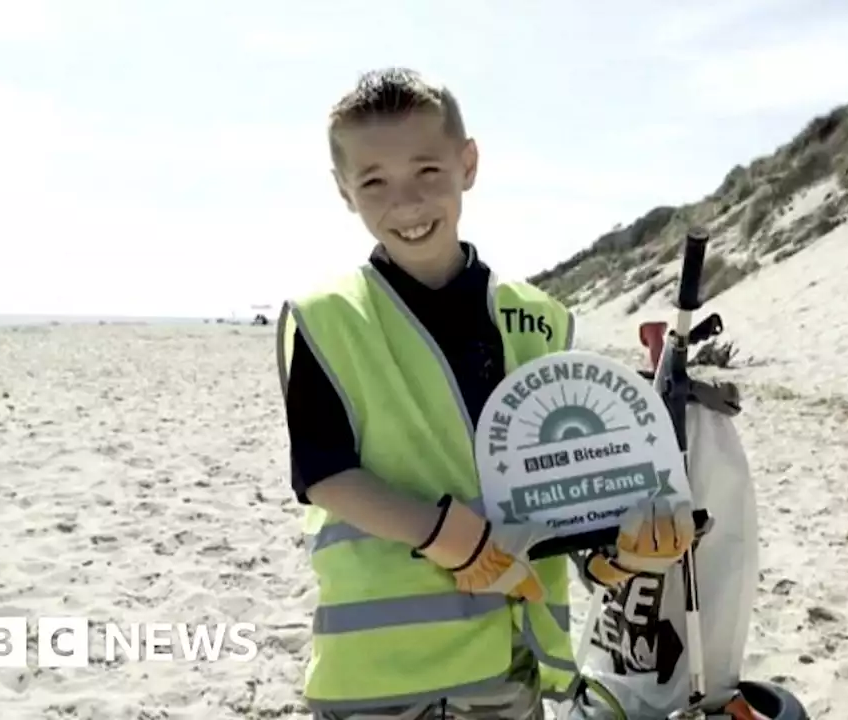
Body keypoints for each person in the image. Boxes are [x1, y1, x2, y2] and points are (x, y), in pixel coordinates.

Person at [276, 66, 697, 720]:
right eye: (374, 182)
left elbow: (573, 509)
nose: (407, 204)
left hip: (505, 673)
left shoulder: (542, 319)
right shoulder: (326, 319)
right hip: (370, 681)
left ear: (467, 163)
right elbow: (324, 472)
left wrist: (626, 557)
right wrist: (445, 535)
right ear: (343, 191)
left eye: (428, 172)